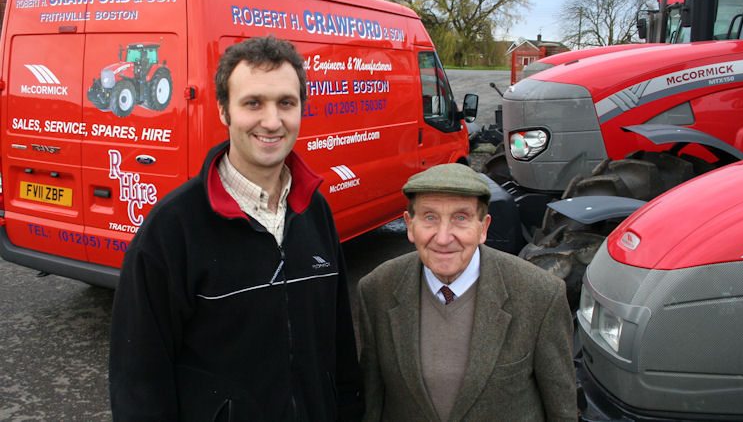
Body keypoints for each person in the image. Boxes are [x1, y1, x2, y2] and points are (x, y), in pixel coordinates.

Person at [109, 35, 363, 421]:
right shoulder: (173, 228)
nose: (272, 121)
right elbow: (138, 378)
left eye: (286, 103)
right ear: (224, 111)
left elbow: (340, 344)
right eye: (253, 103)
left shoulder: (316, 210)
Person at [357, 163, 577, 421]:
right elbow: (372, 403)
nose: (443, 237)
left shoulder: (540, 295)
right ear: (409, 225)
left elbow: (562, 410)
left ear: (483, 228)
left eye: (460, 218)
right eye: (430, 217)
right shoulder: (377, 290)